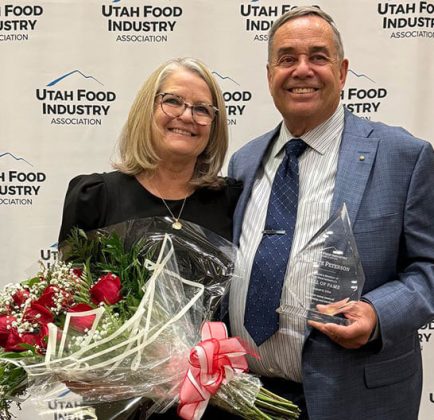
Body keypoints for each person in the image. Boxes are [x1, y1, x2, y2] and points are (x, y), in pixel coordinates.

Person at [228, 6, 434, 420]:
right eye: (287, 58)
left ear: (341, 72)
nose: (302, 69)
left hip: (357, 400)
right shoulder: (244, 162)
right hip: (251, 399)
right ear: (269, 75)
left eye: (317, 57)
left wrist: (378, 313)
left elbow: (428, 266)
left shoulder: (403, 156)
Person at [58, 57, 242, 419]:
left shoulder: (232, 199)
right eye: (173, 101)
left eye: (203, 109)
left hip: (217, 400)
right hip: (124, 404)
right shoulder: (95, 196)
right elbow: (68, 305)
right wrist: (82, 366)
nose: (187, 116)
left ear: (213, 125)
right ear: (149, 107)